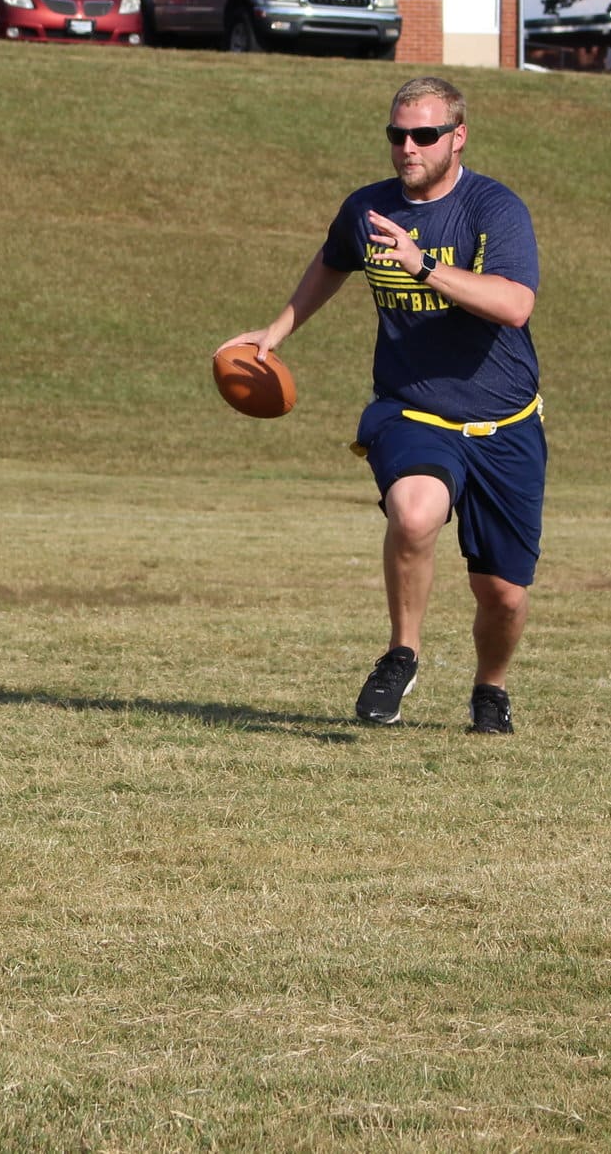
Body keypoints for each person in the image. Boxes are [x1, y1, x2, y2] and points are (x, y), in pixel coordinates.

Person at [221, 77, 543, 732]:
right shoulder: (368, 209)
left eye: (423, 134)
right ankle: (402, 652)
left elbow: (515, 304)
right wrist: (277, 330)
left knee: (503, 595)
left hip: (505, 422)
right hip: (413, 408)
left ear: (458, 137)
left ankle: (490, 688)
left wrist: (423, 266)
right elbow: (333, 260)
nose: (407, 147)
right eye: (397, 134)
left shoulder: (493, 207)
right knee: (415, 511)